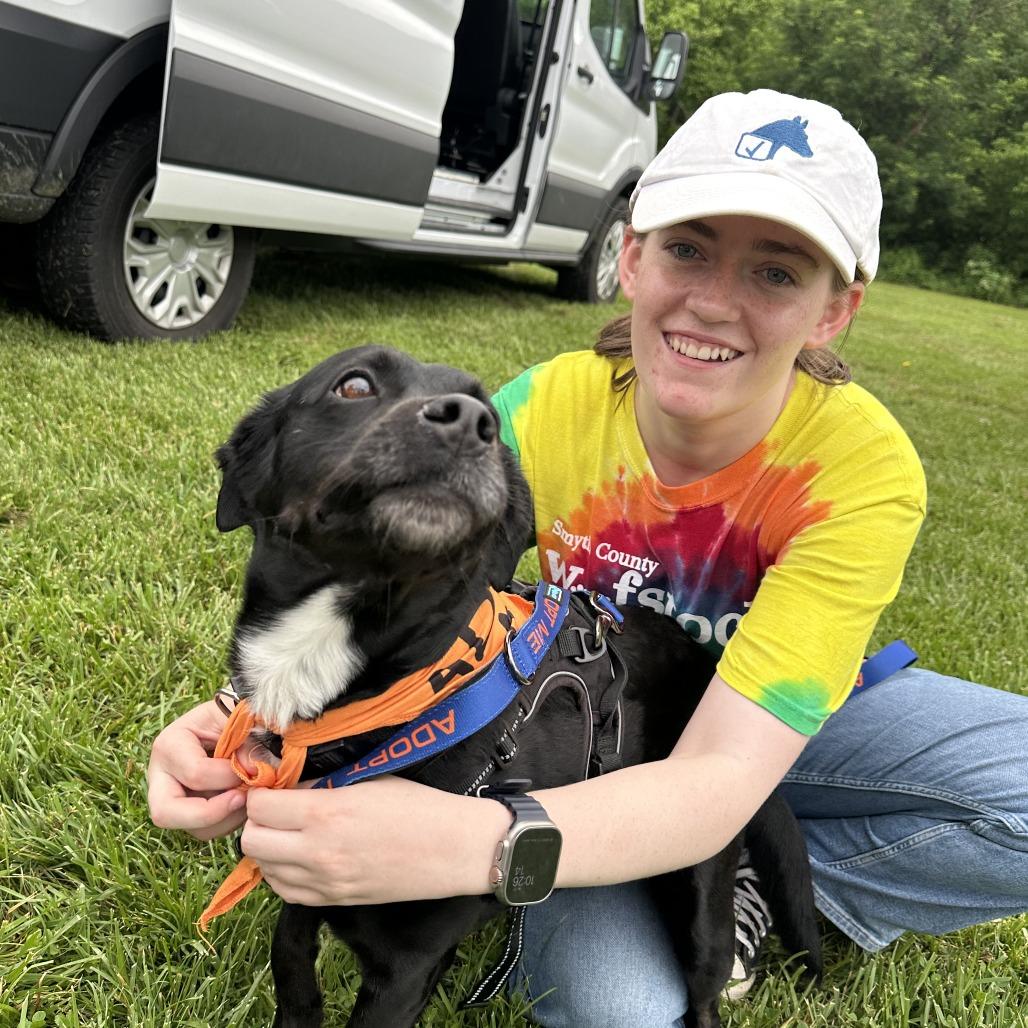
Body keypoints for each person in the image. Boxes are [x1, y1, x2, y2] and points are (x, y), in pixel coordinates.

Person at [147, 90, 1028, 1026]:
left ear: (833, 311)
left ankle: (757, 874)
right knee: (618, 1011)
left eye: (776, 273)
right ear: (633, 256)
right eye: (688, 250)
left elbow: (724, 768)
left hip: (784, 732)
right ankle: (673, 849)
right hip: (594, 739)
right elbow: (410, 614)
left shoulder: (857, 471)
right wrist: (240, 720)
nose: (714, 303)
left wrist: (481, 841)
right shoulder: (540, 412)